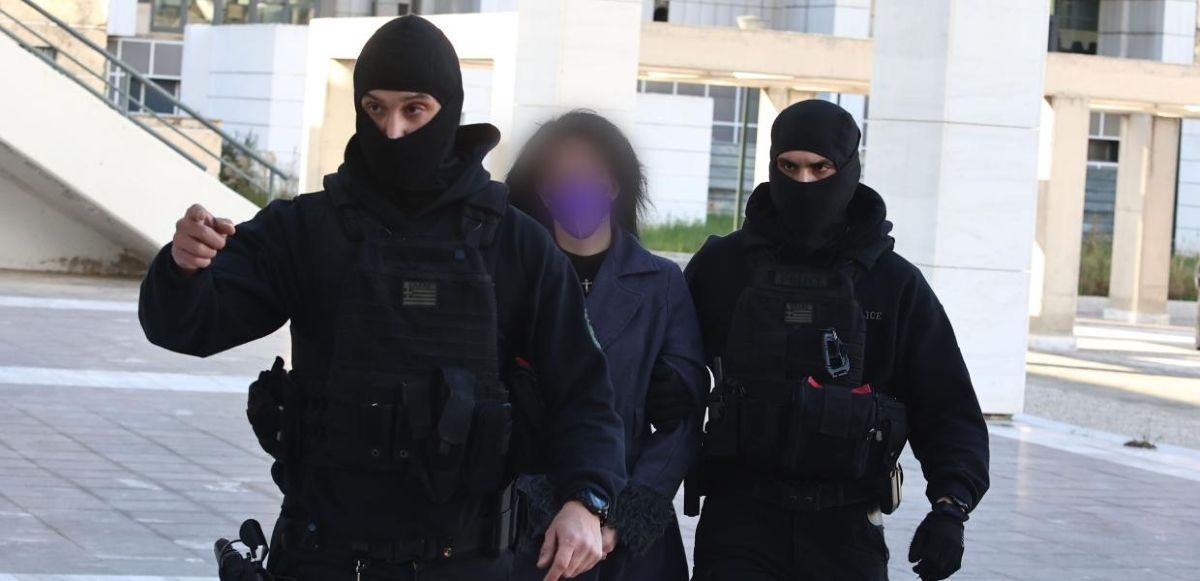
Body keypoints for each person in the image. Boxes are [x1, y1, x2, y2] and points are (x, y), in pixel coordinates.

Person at [138, 16, 626, 581]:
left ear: (449, 109)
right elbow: (190, 326)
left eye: (414, 110)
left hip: (465, 561)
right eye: (375, 108)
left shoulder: (515, 244)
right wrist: (184, 268)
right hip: (323, 557)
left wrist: (586, 500)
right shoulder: (305, 229)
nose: (393, 131)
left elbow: (583, 392)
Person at [683, 99, 990, 581]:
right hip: (739, 522)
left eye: (819, 168)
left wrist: (952, 507)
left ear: (847, 170)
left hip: (845, 525)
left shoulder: (893, 283)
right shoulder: (724, 267)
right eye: (789, 167)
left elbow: (946, 405)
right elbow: (661, 362)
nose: (803, 182)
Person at [504, 111, 708, 581]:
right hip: (524, 533)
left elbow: (682, 418)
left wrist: (621, 518)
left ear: (615, 185)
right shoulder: (513, 278)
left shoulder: (661, 284)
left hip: (629, 542)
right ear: (542, 191)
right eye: (561, 178)